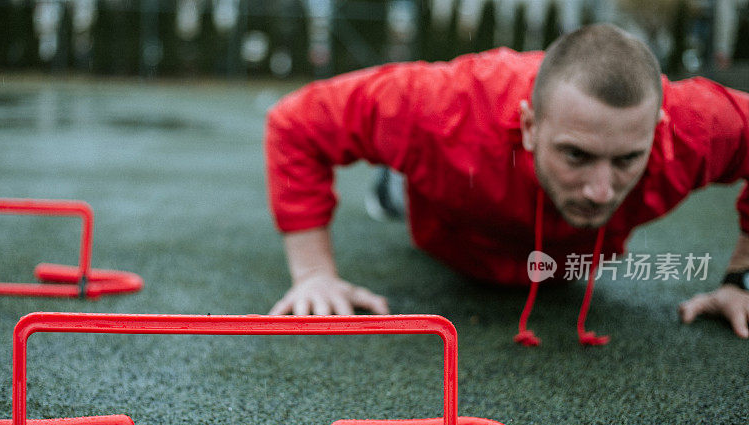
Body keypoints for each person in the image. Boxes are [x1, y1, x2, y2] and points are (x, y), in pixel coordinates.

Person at [264, 23, 749, 344]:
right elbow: (296, 122)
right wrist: (314, 274)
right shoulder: (444, 105)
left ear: (658, 127)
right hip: (455, 214)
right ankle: (392, 183)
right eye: (576, 154)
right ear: (530, 125)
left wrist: (740, 280)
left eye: (626, 159)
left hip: (559, 261)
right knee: (405, 184)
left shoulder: (693, 127)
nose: (602, 189)